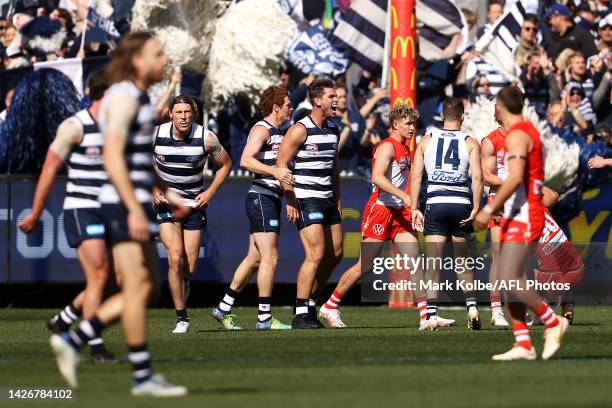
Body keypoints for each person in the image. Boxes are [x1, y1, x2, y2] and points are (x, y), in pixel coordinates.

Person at [49, 32, 188, 396]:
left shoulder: (138, 97)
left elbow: (137, 160)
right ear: (137, 60)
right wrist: (133, 209)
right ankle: (136, 372)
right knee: (139, 287)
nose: (164, 59)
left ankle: (76, 338)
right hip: (122, 204)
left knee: (148, 287)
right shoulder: (124, 96)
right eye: (158, 54)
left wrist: (170, 193)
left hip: (135, 201)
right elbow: (112, 157)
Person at [18, 70, 117, 362]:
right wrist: (36, 212)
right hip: (81, 209)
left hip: (108, 210)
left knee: (113, 281)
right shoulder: (75, 126)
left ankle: (65, 319)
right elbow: (49, 169)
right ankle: (95, 346)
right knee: (99, 275)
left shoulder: (116, 128)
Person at [475, 85, 569, 361]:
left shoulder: (517, 136)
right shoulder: (530, 132)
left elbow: (515, 178)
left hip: (525, 213)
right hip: (521, 212)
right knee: (509, 277)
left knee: (508, 278)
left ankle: (552, 321)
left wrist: (488, 208)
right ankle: (524, 343)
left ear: (500, 109)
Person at [319, 104, 424, 328]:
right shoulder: (387, 147)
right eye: (408, 123)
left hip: (399, 213)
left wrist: (411, 207)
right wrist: (404, 197)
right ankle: (330, 305)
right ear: (395, 124)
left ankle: (427, 316)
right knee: (364, 265)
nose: (413, 127)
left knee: (416, 260)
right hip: (380, 211)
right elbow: (377, 178)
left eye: (414, 123)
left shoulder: (405, 148)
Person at [212, 85, 293, 330]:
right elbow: (246, 160)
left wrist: (288, 196)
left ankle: (223, 308)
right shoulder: (262, 129)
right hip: (262, 197)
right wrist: (275, 172)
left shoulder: (280, 131)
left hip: (269, 197)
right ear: (275, 106)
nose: (291, 107)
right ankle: (264, 318)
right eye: (287, 104)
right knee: (271, 257)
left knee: (255, 258)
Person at [153, 94, 231, 334]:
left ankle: (184, 280)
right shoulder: (155, 135)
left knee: (190, 265)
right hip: (167, 204)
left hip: (194, 205)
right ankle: (182, 318)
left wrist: (210, 193)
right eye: (179, 112)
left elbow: (226, 164)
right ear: (171, 114)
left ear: (193, 114)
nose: (183, 117)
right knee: (174, 258)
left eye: (187, 112)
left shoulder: (206, 138)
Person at [410, 97, 484, 331]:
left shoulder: (427, 140)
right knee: (461, 262)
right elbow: (478, 177)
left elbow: (416, 177)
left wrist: (414, 207)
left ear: (442, 116)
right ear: (462, 117)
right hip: (461, 202)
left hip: (436, 203)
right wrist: (476, 207)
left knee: (433, 261)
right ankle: (472, 307)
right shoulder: (471, 141)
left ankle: (431, 314)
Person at [275, 77, 343, 329]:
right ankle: (301, 313)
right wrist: (290, 198)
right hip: (306, 198)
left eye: (336, 96)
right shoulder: (300, 129)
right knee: (315, 254)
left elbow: (333, 166)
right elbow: (281, 166)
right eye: (331, 97)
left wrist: (337, 197)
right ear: (317, 101)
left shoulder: (334, 128)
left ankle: (310, 301)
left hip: (327, 198)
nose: (336, 100)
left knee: (336, 254)